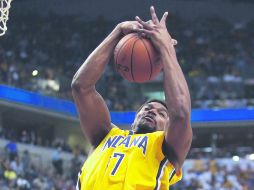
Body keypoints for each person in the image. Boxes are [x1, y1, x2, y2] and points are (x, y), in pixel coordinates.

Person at [72, 6, 192, 190]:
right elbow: (81, 87)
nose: (152, 111)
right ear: (135, 116)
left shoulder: (167, 148)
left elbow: (181, 112)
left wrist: (166, 48)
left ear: (168, 126)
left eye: (161, 113)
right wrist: (118, 32)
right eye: (147, 108)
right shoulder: (105, 135)